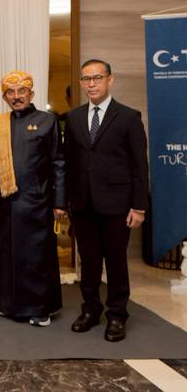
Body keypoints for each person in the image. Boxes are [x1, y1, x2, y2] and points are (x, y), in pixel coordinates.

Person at [65, 59, 148, 342]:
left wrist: (139, 206)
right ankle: (90, 310)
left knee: (115, 261)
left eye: (97, 78)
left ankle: (117, 315)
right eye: (86, 79)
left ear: (109, 79)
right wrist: (67, 203)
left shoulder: (128, 117)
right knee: (88, 262)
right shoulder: (73, 118)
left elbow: (140, 166)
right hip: (82, 204)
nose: (91, 84)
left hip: (117, 204)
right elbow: (69, 163)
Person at [0, 71, 66, 327]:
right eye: (10, 92)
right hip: (7, 202)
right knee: (7, 253)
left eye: (22, 91)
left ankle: (39, 309)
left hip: (37, 202)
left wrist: (60, 202)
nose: (16, 96)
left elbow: (59, 163)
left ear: (31, 94)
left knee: (36, 256)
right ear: (4, 97)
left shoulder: (47, 121)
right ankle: (7, 304)